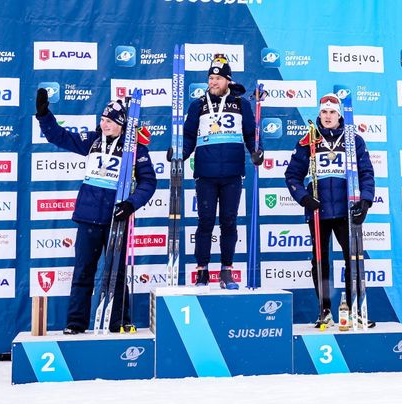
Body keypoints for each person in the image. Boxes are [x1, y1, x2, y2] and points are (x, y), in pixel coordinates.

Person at [34, 88, 157, 334]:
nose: (104, 125)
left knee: (116, 274)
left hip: (116, 220)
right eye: (102, 120)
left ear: (122, 124)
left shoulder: (135, 150)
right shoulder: (93, 141)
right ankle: (75, 323)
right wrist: (44, 115)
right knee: (83, 272)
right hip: (88, 217)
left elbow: (149, 182)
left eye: (110, 121)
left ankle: (119, 320)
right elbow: (60, 136)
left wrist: (131, 203)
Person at [284, 93, 375, 327]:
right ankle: (324, 309)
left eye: (332, 112)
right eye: (323, 112)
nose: (327, 116)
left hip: (347, 210)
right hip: (319, 211)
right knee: (321, 261)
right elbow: (292, 175)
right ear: (319, 114)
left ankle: (355, 308)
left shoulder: (354, 140)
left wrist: (365, 201)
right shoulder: (308, 140)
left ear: (339, 115)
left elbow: (366, 173)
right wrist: (304, 198)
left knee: (353, 259)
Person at [180, 54, 263, 289]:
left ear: (228, 80)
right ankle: (202, 271)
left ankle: (226, 271)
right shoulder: (198, 104)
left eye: (217, 78)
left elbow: (251, 134)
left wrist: (257, 151)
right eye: (210, 78)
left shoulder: (241, 103)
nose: (213, 82)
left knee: (229, 222)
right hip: (205, 173)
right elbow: (188, 136)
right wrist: (180, 154)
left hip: (232, 174)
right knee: (205, 222)